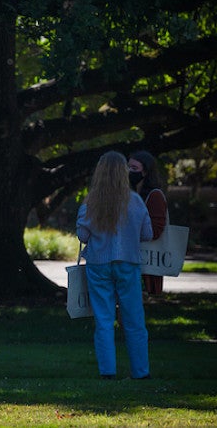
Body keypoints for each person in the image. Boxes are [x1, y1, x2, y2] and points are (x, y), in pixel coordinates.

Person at [76, 151, 153, 380]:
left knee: (104, 320)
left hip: (99, 264)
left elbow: (82, 235)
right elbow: (147, 234)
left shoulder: (91, 202)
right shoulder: (136, 201)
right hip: (128, 262)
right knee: (134, 320)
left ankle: (107, 371)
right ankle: (141, 371)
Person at [129, 151, 168, 296]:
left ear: (145, 172)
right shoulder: (132, 195)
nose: (129, 172)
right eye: (128, 167)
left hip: (146, 264)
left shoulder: (155, 195)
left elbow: (156, 231)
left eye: (134, 168)